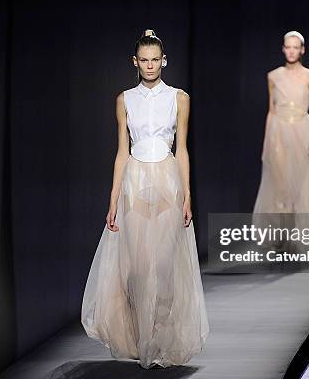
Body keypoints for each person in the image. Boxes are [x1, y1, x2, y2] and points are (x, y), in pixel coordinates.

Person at [81, 29, 209, 369]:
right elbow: (121, 152)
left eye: (155, 60)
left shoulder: (180, 98)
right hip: (134, 181)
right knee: (137, 270)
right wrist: (112, 201)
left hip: (168, 180)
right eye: (144, 60)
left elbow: (182, 149)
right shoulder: (124, 99)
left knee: (165, 268)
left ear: (163, 61)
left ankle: (161, 341)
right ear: (135, 62)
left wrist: (187, 195)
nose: (150, 66)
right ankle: (142, 340)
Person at [252, 30, 309, 254]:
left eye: (295, 47)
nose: (291, 51)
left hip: (302, 130)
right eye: (288, 47)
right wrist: (265, 143)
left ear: (302, 50)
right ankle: (282, 239)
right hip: (278, 131)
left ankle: (300, 239)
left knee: (302, 186)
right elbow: (271, 111)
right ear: (283, 49)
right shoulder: (273, 76)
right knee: (279, 187)